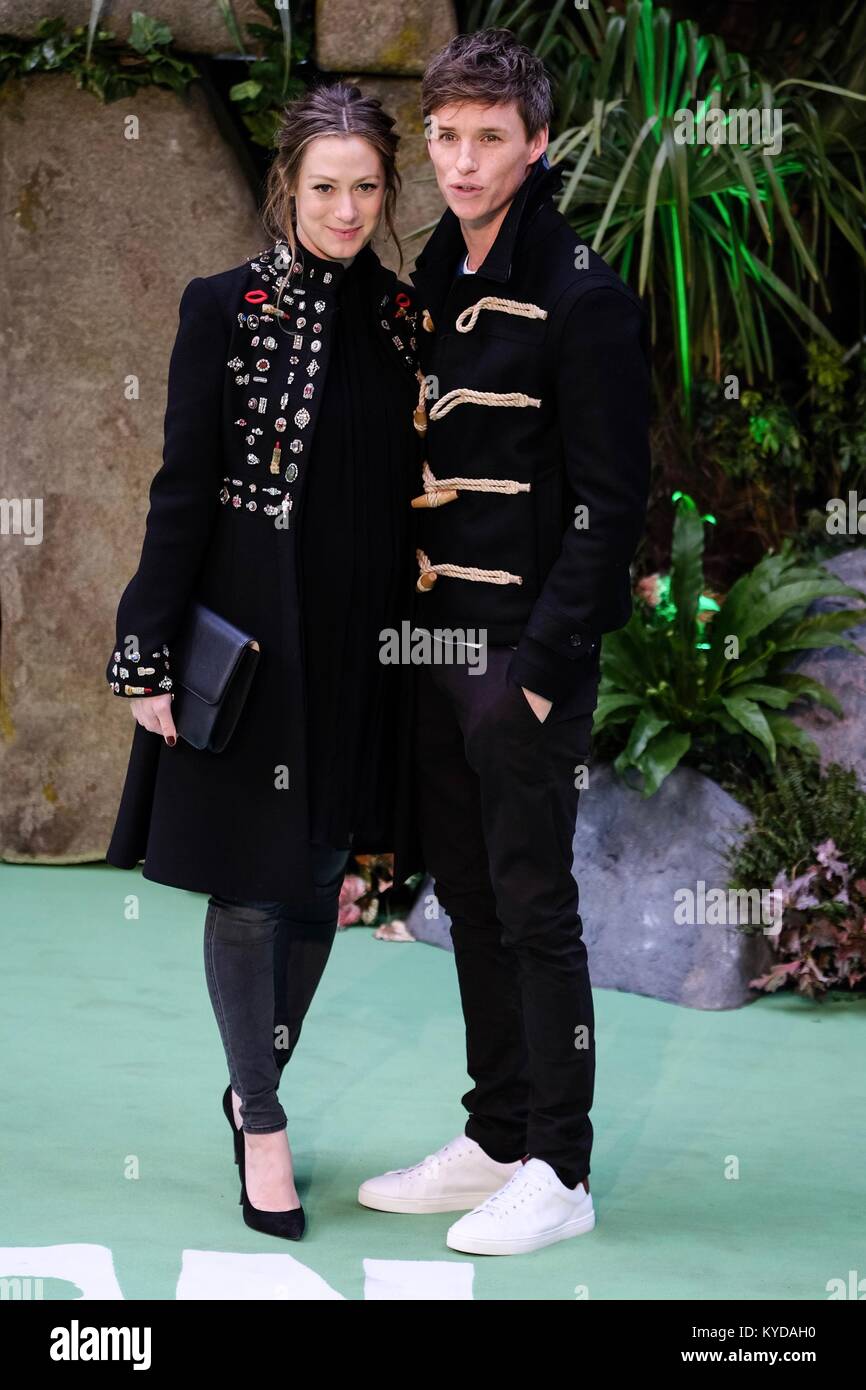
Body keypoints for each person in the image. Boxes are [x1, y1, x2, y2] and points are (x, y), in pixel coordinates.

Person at [104, 82, 422, 1241]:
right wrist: (145, 647)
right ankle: (266, 1119)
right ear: (287, 186)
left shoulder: (401, 317)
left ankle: (250, 1082)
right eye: (324, 186)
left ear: (388, 192)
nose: (345, 209)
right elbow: (182, 487)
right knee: (249, 886)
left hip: (362, 650)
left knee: (317, 882)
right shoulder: (221, 306)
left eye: (366, 187)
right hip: (251, 643)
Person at [359, 29, 651, 1256]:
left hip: (518, 658)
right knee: (468, 897)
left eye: (489, 138)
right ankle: (493, 1132)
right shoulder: (434, 264)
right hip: (434, 645)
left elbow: (609, 499)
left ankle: (560, 1168)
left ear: (537, 143)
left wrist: (536, 674)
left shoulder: (580, 291)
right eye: (444, 136)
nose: (462, 161)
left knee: (535, 908)